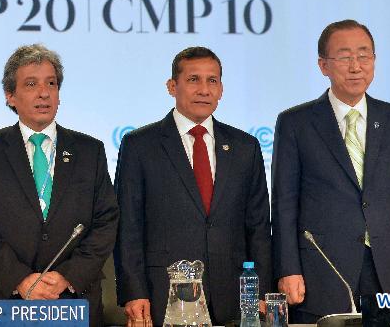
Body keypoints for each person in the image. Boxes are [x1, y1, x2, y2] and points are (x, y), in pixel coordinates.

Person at [271, 20, 390, 322]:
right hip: (323, 267)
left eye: (364, 55)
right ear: (323, 65)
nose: (356, 66)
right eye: (344, 57)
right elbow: (284, 204)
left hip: (387, 266)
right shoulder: (296, 123)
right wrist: (288, 268)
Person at [114, 46, 272, 326]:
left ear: (221, 89)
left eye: (212, 81)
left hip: (233, 297)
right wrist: (133, 292)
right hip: (164, 296)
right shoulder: (140, 145)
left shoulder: (245, 147)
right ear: (172, 86)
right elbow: (128, 227)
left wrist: (260, 291)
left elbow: (258, 227)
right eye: (193, 80)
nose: (204, 89)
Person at [0, 44, 118, 327]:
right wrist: (20, 279)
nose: (44, 93)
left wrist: (67, 276)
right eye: (31, 84)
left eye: (51, 83)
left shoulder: (89, 150)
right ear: (10, 96)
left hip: (72, 302)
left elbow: (106, 221)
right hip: (7, 301)